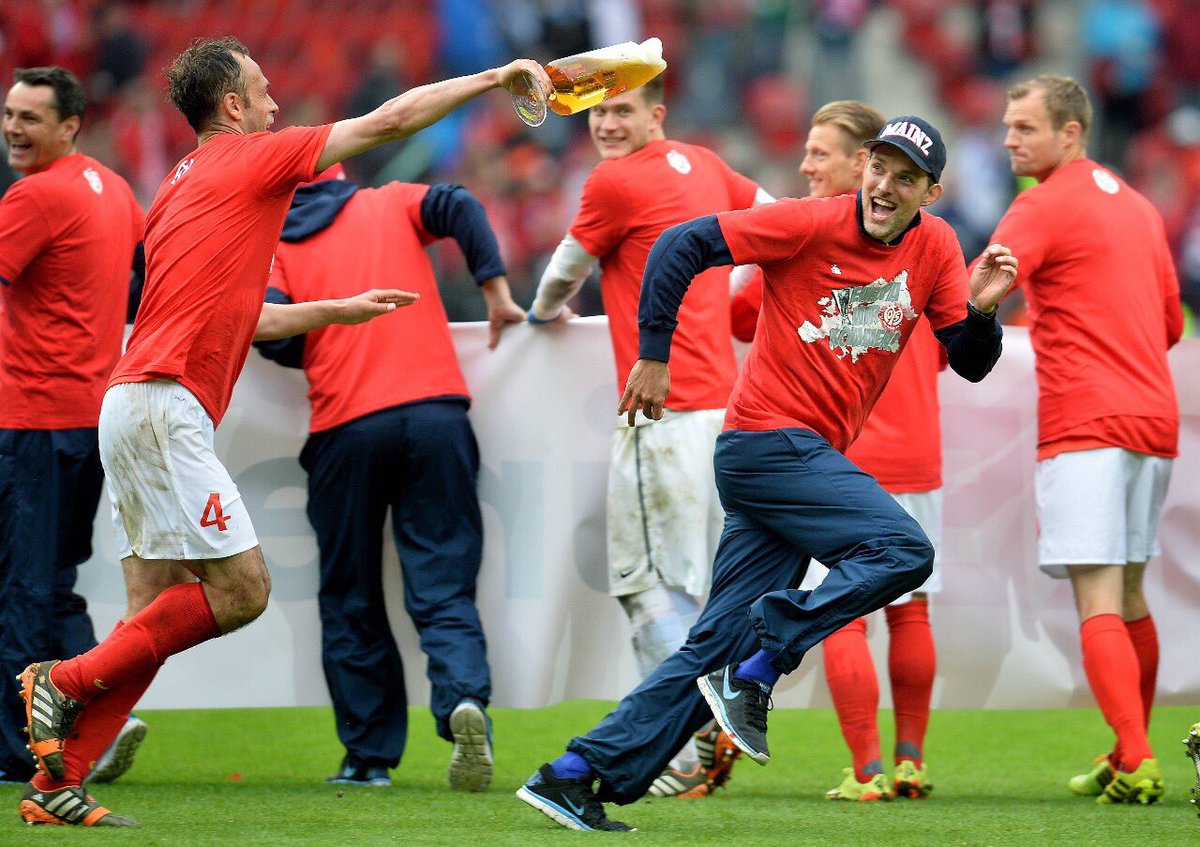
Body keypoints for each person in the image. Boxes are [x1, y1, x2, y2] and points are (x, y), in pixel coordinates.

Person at [16, 36, 550, 827]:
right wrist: (492, 78)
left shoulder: (177, 186)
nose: (274, 106)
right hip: (163, 404)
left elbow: (237, 312)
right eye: (262, 93)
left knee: (155, 604)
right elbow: (388, 121)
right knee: (243, 591)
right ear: (232, 106)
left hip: (131, 400)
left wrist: (333, 310)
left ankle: (59, 784)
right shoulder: (250, 158)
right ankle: (61, 682)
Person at [517, 114, 1019, 832]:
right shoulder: (809, 223)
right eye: (879, 166)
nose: (885, 183)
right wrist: (653, 354)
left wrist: (981, 310)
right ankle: (758, 665)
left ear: (929, 192)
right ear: (864, 169)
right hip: (764, 443)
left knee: (708, 646)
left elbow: (968, 360)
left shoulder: (936, 245)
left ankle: (572, 773)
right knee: (905, 550)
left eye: (905, 176)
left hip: (800, 457)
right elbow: (679, 245)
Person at [525, 73, 774, 799]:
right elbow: (777, 218)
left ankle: (684, 744)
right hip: (726, 417)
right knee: (698, 585)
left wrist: (538, 318)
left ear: (655, 113)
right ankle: (705, 720)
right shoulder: (707, 165)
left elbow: (562, 274)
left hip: (658, 417)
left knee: (646, 586)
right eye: (599, 112)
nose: (607, 123)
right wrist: (740, 294)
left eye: (622, 110)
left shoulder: (612, 182)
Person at [253, 165, 524, 791]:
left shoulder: (275, 248)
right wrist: (494, 286)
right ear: (342, 174)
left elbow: (273, 334)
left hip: (346, 426)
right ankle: (464, 699)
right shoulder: (390, 202)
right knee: (443, 581)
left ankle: (368, 757)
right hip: (436, 414)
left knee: (350, 595)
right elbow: (459, 200)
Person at [732, 100, 943, 802]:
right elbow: (949, 349)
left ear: (860, 162)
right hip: (918, 442)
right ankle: (911, 756)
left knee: (841, 604)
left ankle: (868, 768)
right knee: (910, 605)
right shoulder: (923, 246)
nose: (808, 166)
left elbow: (740, 317)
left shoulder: (815, 235)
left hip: (835, 450)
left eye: (820, 153)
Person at [983, 74, 1182, 806]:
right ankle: (1130, 743)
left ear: (1072, 133)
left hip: (1086, 417)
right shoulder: (1136, 205)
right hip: (1152, 419)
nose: (1010, 137)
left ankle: (1136, 756)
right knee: (1129, 591)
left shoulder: (1037, 206)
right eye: (1008, 125)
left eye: (1026, 127)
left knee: (1097, 592)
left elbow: (977, 294)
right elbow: (1167, 323)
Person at [0, 66, 147, 787]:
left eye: (30, 117)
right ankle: (99, 712)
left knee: (22, 589)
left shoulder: (34, 196)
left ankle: (19, 750)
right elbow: (142, 287)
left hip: (31, 418)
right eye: (8, 113)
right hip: (91, 420)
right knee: (53, 585)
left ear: (69, 127)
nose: (13, 128)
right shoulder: (114, 190)